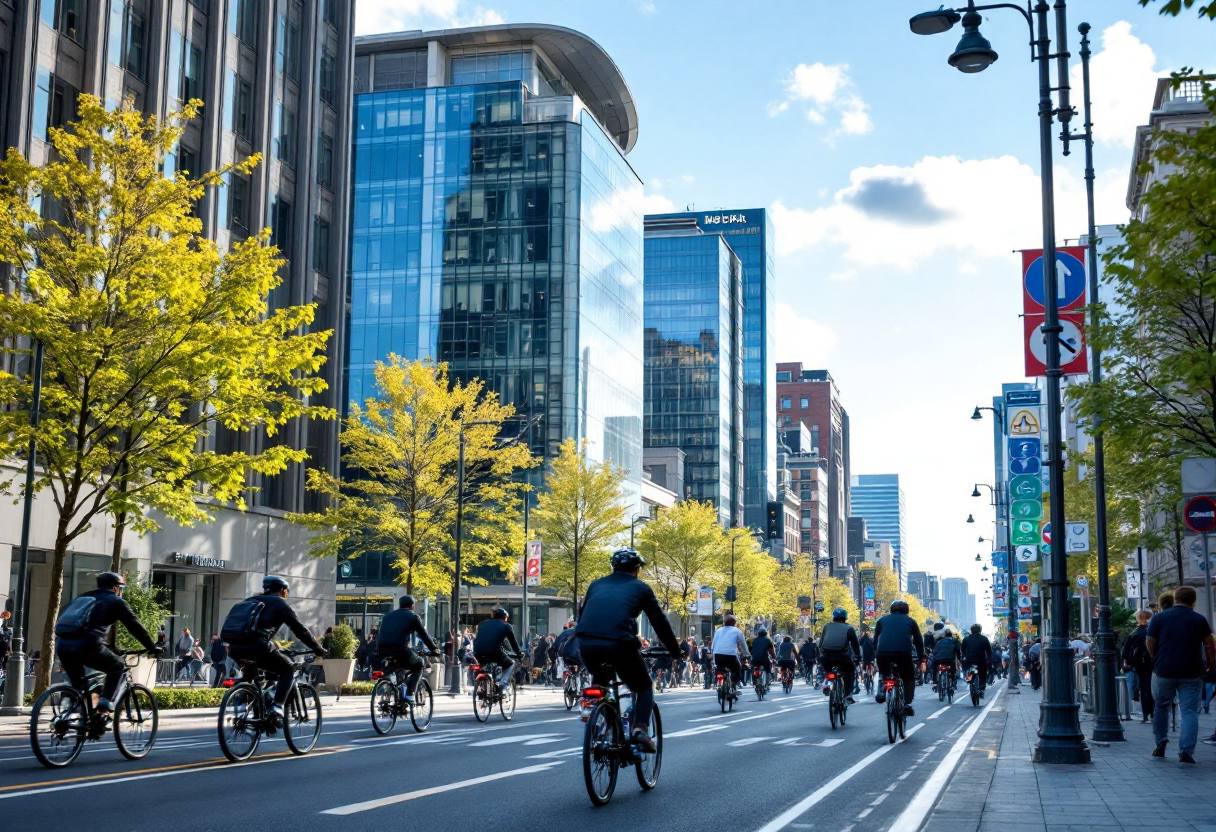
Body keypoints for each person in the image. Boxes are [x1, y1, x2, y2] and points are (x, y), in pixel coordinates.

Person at [575, 548, 680, 753]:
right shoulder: (641, 588)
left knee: (600, 684)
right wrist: (675, 651)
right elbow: (659, 622)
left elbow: (583, 613)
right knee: (643, 687)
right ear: (637, 569)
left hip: (586, 643)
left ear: (613, 567)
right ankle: (640, 730)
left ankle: (603, 726)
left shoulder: (595, 585)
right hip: (619, 645)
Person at [221, 576, 327, 723]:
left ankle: (248, 711)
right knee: (287, 669)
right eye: (286, 592)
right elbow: (298, 629)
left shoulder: (249, 601)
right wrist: (317, 647)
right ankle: (277, 707)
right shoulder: (279, 603)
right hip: (258, 647)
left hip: (234, 649)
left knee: (252, 677)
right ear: (283, 591)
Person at [55, 572, 162, 715]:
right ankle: (105, 701)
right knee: (118, 667)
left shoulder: (83, 598)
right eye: (121, 589)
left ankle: (76, 721)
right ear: (116, 588)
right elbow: (135, 627)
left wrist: (109, 648)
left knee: (80, 686)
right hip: (88, 646)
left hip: (63, 646)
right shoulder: (115, 601)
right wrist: (152, 647)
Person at [1147, 585, 1216, 764]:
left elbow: (1150, 641)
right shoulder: (1199, 619)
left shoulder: (1159, 618)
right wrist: (1209, 663)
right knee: (1189, 711)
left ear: (1175, 598)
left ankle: (1160, 743)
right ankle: (1186, 750)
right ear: (1193, 601)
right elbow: (1209, 643)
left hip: (1164, 670)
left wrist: (1156, 656)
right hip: (1192, 671)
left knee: (1161, 707)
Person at [376, 595, 437, 703]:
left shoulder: (387, 616)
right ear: (412, 606)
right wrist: (434, 649)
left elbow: (380, 635)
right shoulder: (412, 616)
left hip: (383, 650)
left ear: (400, 605)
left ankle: (391, 690)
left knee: (395, 669)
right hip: (400, 650)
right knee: (419, 664)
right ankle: (409, 694)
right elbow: (424, 635)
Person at [873, 599, 924, 716]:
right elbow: (918, 642)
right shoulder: (911, 621)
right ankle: (906, 703)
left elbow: (875, 639)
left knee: (884, 672)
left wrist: (876, 652)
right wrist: (920, 658)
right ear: (906, 610)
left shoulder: (882, 620)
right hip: (903, 654)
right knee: (908, 678)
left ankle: (881, 691)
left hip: (883, 654)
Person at [473, 608, 523, 691]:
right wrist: (519, 653)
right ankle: (502, 685)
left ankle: (485, 684)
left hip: (478, 651)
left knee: (485, 668)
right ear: (504, 618)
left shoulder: (482, 624)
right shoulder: (506, 626)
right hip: (494, 651)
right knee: (511, 664)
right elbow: (513, 643)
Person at [819, 609, 861, 705]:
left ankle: (828, 684)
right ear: (845, 618)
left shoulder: (827, 626)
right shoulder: (849, 628)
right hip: (842, 656)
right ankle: (847, 694)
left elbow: (821, 644)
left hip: (827, 657)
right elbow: (855, 644)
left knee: (828, 671)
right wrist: (857, 656)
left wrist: (819, 656)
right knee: (850, 670)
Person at [1121, 609, 1154, 723]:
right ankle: (1154, 713)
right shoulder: (1152, 631)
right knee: (1152, 688)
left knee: (1143, 688)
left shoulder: (1135, 632)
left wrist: (1128, 661)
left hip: (1140, 664)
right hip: (1153, 663)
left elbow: (1125, 650)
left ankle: (1146, 715)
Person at [711, 614, 749, 690]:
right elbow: (743, 644)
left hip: (718, 655)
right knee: (737, 668)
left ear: (724, 622)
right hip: (731, 655)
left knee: (719, 668)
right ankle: (736, 683)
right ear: (734, 623)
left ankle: (717, 682)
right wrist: (747, 654)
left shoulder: (718, 631)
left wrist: (713, 653)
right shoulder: (737, 631)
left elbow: (713, 645)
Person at [960, 624, 992, 696]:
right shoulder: (984, 639)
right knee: (983, 674)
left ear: (971, 630)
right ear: (980, 630)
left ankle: (968, 679)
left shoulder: (966, 639)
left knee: (967, 670)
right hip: (981, 660)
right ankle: (981, 689)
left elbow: (962, 650)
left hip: (970, 660)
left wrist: (964, 657)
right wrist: (989, 660)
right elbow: (989, 651)